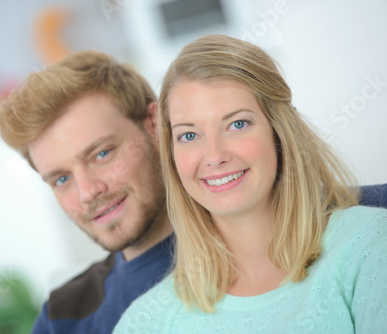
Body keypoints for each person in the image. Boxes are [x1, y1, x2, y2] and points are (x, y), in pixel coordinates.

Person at [114, 34, 387, 333]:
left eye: (237, 124)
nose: (215, 156)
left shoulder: (370, 247)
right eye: (189, 136)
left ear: (279, 131)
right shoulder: (145, 322)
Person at [0, 50, 174, 333]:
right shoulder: (61, 316)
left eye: (101, 154)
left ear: (154, 126)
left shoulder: (250, 254)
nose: (88, 192)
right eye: (62, 179)